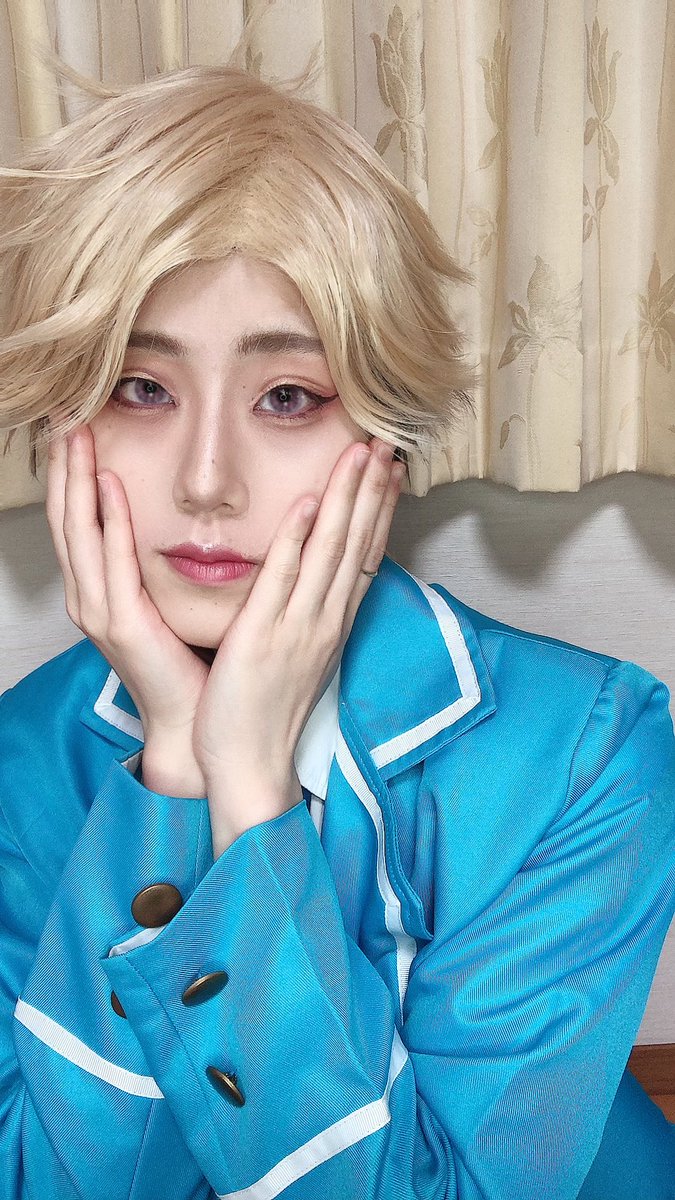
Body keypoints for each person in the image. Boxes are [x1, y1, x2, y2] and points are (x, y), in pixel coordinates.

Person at [0, 60, 674, 1200]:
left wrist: (251, 792)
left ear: (387, 442)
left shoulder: (586, 756)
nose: (207, 481)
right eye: (141, 388)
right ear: (64, 430)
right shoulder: (22, 759)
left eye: (288, 398)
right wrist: (176, 774)